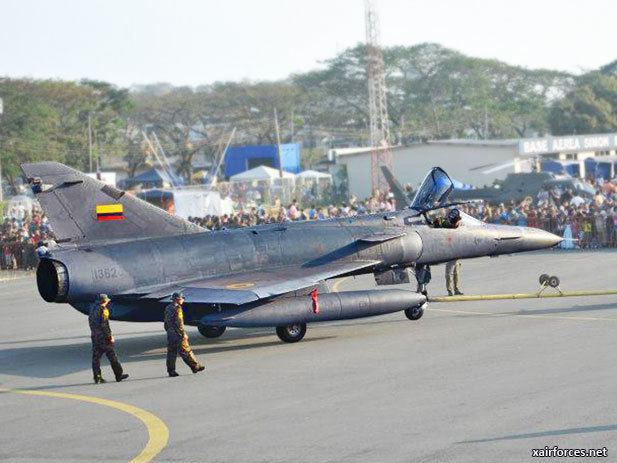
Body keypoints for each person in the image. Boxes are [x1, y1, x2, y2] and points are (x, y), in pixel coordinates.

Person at [89, 294, 129, 384]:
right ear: (104, 301)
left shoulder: (92, 309)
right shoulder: (104, 310)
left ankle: (97, 377)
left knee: (96, 358)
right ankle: (118, 375)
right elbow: (105, 325)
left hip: (95, 336)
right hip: (103, 338)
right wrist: (110, 337)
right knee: (112, 356)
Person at [164, 292, 205, 377]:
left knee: (171, 353)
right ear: (178, 299)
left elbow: (166, 322)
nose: (183, 300)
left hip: (170, 333)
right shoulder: (178, 308)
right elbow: (179, 323)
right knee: (186, 350)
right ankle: (195, 366)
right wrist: (183, 334)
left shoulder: (168, 308)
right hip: (178, 333)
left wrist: (169, 331)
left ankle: (171, 371)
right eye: (182, 298)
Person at [432, 209, 464, 296]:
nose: (459, 222)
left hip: (457, 252)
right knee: (449, 272)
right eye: (458, 221)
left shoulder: (458, 228)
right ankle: (450, 290)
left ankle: (456, 289)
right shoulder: (447, 225)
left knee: (456, 272)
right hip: (450, 252)